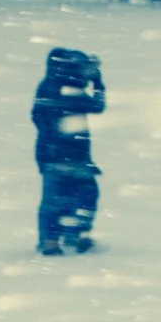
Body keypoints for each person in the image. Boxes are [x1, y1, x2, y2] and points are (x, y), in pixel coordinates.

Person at [32, 47, 106, 255]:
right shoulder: (59, 88)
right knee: (61, 197)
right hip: (59, 155)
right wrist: (97, 83)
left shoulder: (60, 87)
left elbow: (96, 106)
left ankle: (68, 235)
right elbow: (96, 105)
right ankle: (53, 239)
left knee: (82, 194)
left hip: (70, 155)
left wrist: (96, 82)